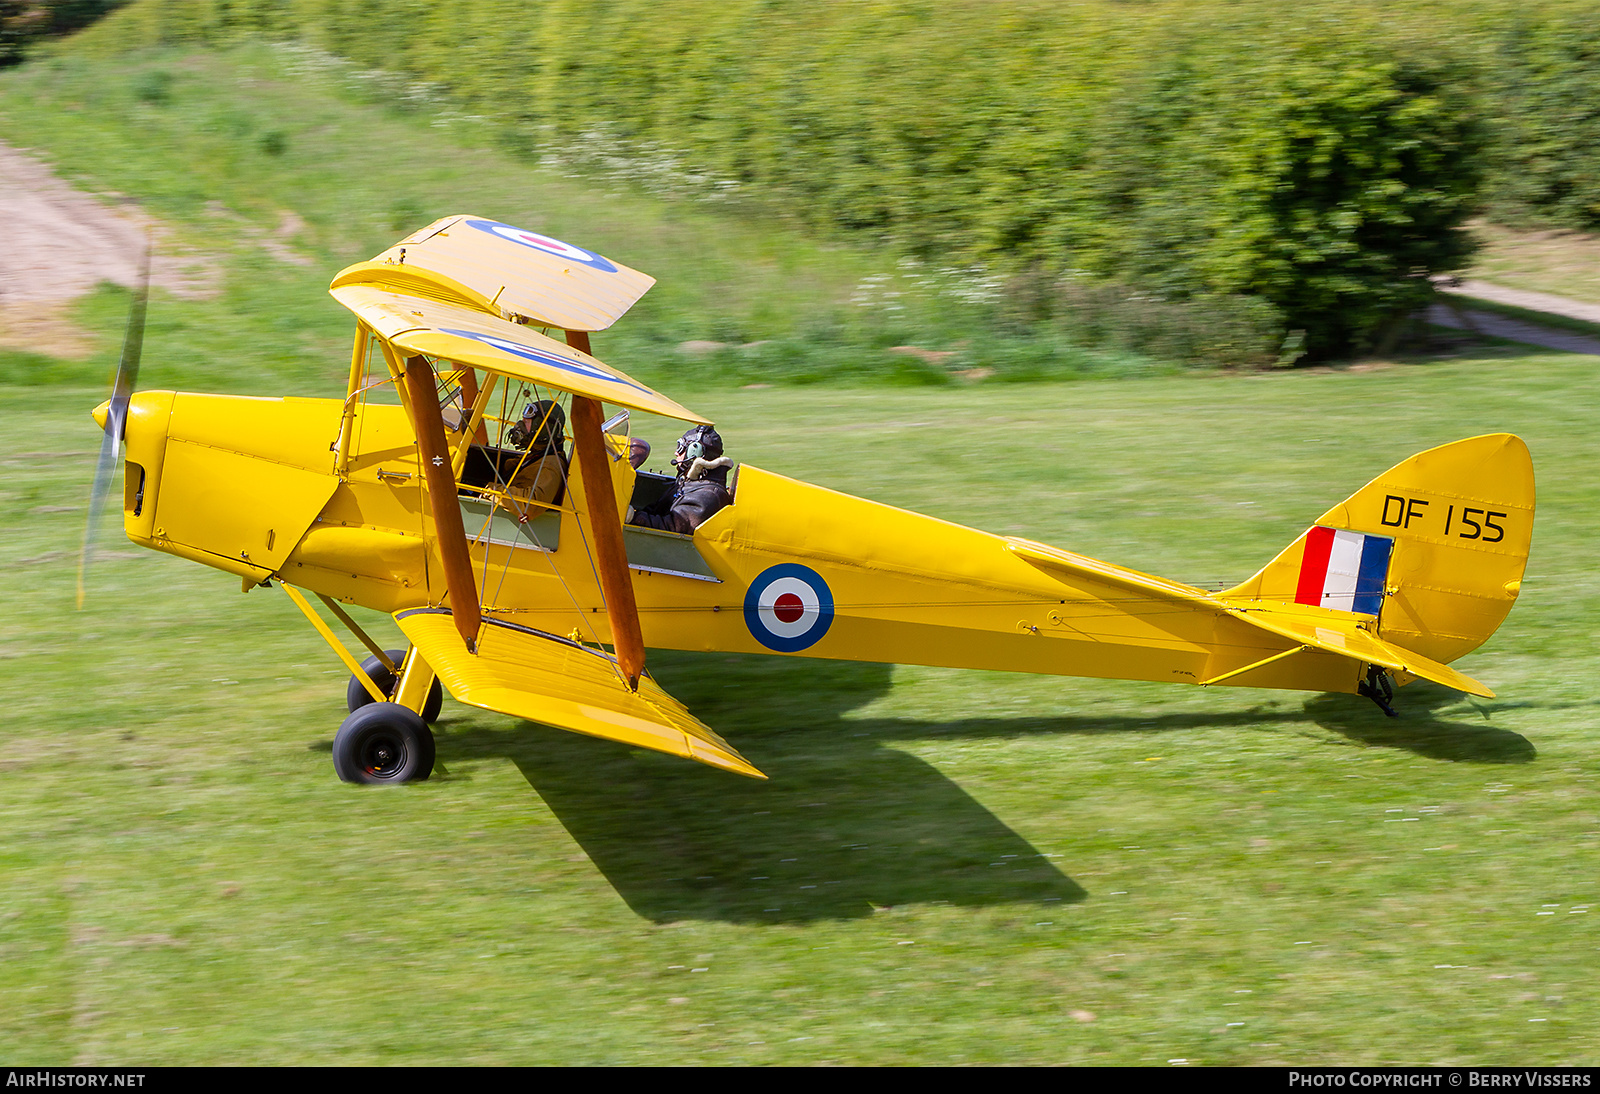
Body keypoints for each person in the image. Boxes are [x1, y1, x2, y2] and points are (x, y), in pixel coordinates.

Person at [629, 424, 733, 534]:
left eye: (681, 447)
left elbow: (672, 527)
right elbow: (656, 509)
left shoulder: (708, 495)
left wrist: (632, 517)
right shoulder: (689, 482)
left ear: (694, 453)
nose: (676, 453)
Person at [502, 400, 567, 510]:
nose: (519, 426)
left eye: (526, 423)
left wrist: (491, 491)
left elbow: (530, 505)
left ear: (543, 429)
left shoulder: (550, 465)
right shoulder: (539, 455)